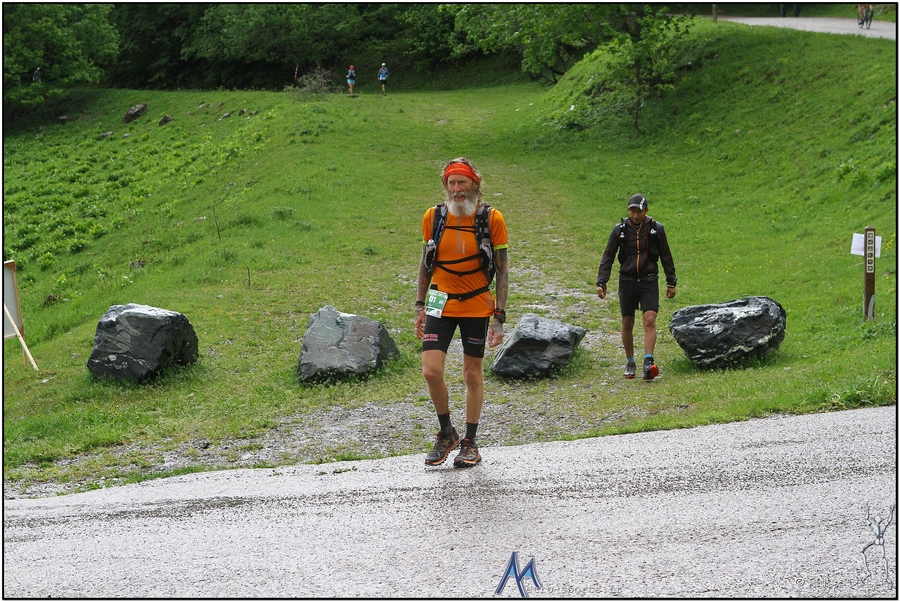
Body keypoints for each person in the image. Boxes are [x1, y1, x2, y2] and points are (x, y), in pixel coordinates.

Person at [415, 157, 509, 467]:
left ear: (474, 184)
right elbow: (425, 264)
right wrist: (419, 306)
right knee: (431, 371)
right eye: (452, 183)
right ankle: (447, 433)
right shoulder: (434, 217)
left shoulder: (491, 218)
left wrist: (499, 317)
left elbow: (502, 269)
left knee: (471, 373)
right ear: (446, 185)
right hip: (439, 301)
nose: (457, 188)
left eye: (462, 182)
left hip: (476, 302)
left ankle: (470, 441)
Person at [596, 194, 677, 381]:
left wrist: (671, 282)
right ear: (628, 210)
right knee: (627, 322)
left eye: (639, 211)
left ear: (646, 211)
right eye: (632, 211)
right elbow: (608, 256)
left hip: (649, 280)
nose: (635, 215)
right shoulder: (620, 230)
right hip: (627, 280)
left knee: (650, 320)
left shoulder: (656, 229)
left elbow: (666, 256)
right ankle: (630, 361)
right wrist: (602, 282)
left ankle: (648, 362)